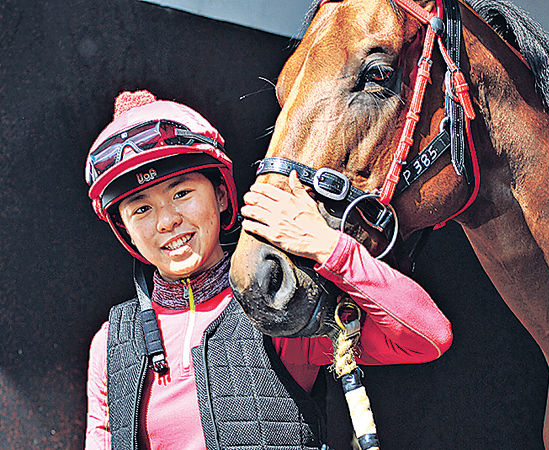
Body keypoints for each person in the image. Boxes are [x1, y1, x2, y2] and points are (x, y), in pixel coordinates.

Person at [84, 90, 452, 449]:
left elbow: (429, 337)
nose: (166, 220)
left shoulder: (278, 302)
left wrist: (329, 247)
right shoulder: (111, 343)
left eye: (181, 193)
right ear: (125, 230)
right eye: (141, 209)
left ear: (222, 196)